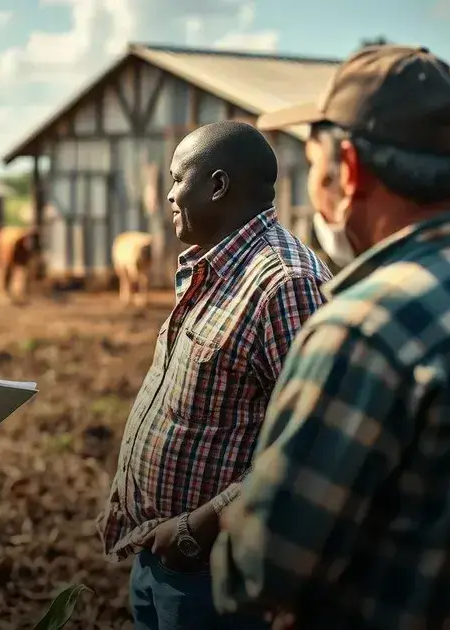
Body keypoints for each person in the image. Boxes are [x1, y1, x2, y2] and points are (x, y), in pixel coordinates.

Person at [211, 45, 450, 629]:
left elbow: (258, 571)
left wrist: (233, 525)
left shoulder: (360, 330)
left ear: (348, 171)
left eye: (312, 165)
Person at [96, 120, 332, 630]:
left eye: (179, 178)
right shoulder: (213, 266)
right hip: (160, 552)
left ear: (218, 186)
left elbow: (312, 446)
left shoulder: (285, 285)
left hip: (212, 573)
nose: (169, 194)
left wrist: (196, 529)